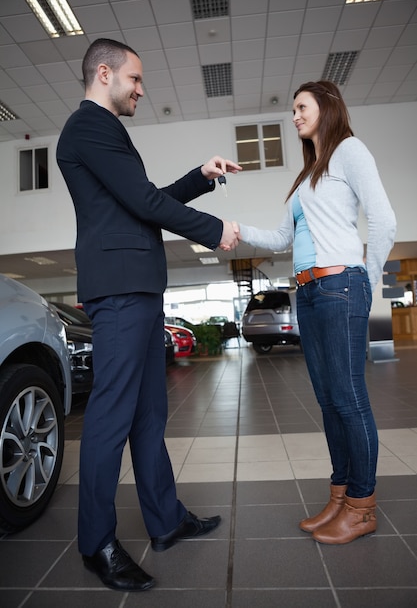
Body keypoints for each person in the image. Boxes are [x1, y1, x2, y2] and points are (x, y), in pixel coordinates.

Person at [56, 38, 241, 592]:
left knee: (148, 416)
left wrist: (199, 176)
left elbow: (142, 197)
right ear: (104, 73)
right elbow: (143, 202)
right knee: (111, 420)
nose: (141, 89)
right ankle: (96, 543)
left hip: (136, 288)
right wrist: (214, 231)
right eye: (135, 79)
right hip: (118, 292)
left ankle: (164, 521)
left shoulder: (103, 131)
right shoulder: (88, 125)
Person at [236, 80, 396, 545]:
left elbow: (384, 220)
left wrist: (366, 277)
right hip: (307, 292)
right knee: (328, 401)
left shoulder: (350, 151)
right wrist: (235, 228)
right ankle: (340, 495)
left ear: (325, 107)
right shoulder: (308, 177)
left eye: (300, 107)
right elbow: (282, 239)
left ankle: (362, 506)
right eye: (292, 109)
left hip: (340, 284)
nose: (294, 116)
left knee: (349, 398)